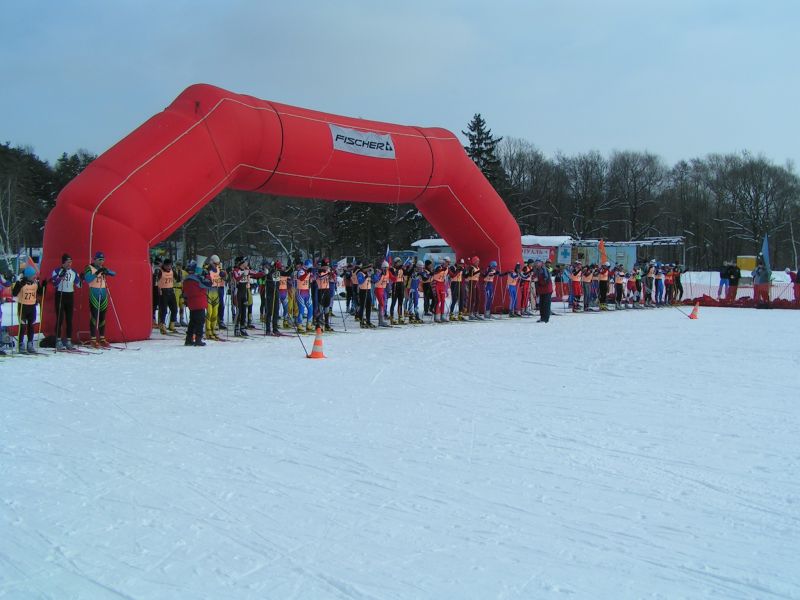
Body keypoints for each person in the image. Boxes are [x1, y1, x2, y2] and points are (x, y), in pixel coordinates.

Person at [83, 251, 116, 348]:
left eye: (103, 260)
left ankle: (102, 338)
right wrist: (97, 273)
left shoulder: (102, 267)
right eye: (99, 260)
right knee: (94, 316)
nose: (101, 262)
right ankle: (93, 339)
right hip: (94, 292)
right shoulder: (89, 267)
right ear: (95, 259)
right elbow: (88, 279)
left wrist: (106, 271)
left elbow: (114, 273)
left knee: (102, 316)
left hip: (103, 293)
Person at [51, 253, 81, 350]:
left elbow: (79, 284)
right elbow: (54, 284)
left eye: (71, 262)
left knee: (69, 319)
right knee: (60, 318)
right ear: (63, 263)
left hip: (69, 295)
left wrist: (82, 278)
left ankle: (68, 340)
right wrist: (60, 277)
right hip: (60, 294)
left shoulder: (73, 272)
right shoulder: (56, 271)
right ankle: (58, 340)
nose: (70, 264)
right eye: (68, 262)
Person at [12, 266, 43, 353]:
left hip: (32, 307)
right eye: (33, 275)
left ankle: (30, 344)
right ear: (28, 276)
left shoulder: (35, 283)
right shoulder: (21, 282)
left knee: (31, 326)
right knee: (23, 326)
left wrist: (43, 285)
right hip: (23, 306)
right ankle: (21, 344)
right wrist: (19, 284)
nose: (35, 276)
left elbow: (40, 292)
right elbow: (14, 293)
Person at [181, 260, 211, 346]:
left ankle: (189, 339)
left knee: (192, 322)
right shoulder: (198, 279)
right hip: (200, 302)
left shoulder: (186, 279)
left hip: (191, 303)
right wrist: (207, 275)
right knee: (200, 322)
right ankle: (198, 339)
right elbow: (208, 284)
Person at [155, 257, 178, 334]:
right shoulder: (160, 271)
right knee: (163, 310)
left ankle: (172, 325)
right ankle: (162, 325)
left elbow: (177, 278)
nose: (169, 267)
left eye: (170, 265)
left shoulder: (172, 271)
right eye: (167, 266)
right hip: (163, 292)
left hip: (171, 291)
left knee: (174, 309)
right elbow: (156, 281)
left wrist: (179, 275)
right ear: (164, 265)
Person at [232, 257, 252, 336]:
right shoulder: (236, 270)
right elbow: (237, 278)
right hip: (238, 293)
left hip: (244, 292)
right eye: (244, 263)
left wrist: (264, 273)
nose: (246, 264)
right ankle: (236, 328)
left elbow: (254, 274)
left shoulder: (246, 270)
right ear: (241, 263)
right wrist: (244, 274)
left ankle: (242, 327)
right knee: (238, 311)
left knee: (244, 311)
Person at [205, 257, 223, 340]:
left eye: (217, 263)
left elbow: (223, 276)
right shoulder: (206, 269)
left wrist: (224, 274)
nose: (216, 265)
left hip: (216, 291)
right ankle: (208, 330)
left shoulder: (218, 269)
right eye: (215, 263)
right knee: (209, 312)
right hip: (208, 292)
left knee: (215, 312)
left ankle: (213, 329)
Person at [314, 258, 334, 331]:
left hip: (327, 290)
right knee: (320, 308)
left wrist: (331, 275)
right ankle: (318, 324)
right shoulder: (319, 271)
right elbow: (320, 277)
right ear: (322, 266)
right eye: (326, 266)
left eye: (328, 265)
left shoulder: (327, 270)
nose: (327, 267)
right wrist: (327, 274)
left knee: (327, 308)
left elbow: (332, 278)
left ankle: (326, 324)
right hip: (321, 290)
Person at [533, 259, 553, 323]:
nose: (537, 264)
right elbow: (534, 277)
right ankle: (542, 317)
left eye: (538, 263)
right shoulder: (536, 270)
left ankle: (545, 318)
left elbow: (546, 280)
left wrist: (538, 280)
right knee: (541, 305)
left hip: (547, 290)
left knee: (546, 305)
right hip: (541, 290)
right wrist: (533, 278)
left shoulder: (544, 270)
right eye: (536, 263)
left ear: (541, 263)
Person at [355, 263, 375, 328]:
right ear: (364, 268)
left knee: (369, 306)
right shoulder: (360, 273)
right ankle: (361, 321)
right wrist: (366, 276)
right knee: (362, 306)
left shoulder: (368, 273)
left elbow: (375, 280)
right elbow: (360, 281)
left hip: (368, 290)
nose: (369, 269)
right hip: (363, 291)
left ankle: (368, 321)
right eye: (368, 268)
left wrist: (374, 275)